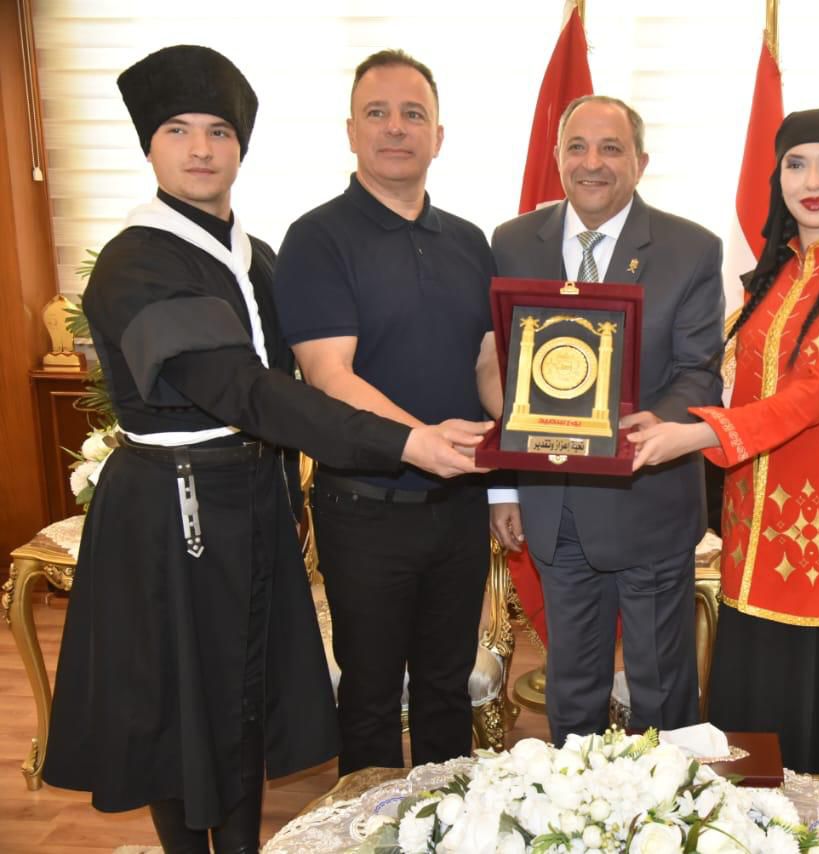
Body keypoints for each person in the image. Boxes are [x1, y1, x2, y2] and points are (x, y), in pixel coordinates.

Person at [42, 44, 490, 853]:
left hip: (251, 503)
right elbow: (250, 392)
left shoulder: (254, 259)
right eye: (178, 131)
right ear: (149, 146)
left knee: (244, 699)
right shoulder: (138, 261)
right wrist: (408, 442)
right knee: (184, 710)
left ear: (240, 147)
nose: (201, 149)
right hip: (173, 510)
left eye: (219, 132)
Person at [627, 108, 819, 781]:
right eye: (796, 164)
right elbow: (740, 391)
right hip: (754, 532)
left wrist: (696, 434)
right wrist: (655, 418)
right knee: (753, 751)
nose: (813, 181)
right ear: (777, 177)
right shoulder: (771, 279)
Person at [272, 49, 496, 775]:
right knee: (369, 697)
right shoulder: (317, 238)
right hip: (366, 509)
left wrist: (537, 434)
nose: (396, 128)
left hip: (460, 507)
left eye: (413, 114)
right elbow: (328, 373)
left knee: (446, 690)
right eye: (378, 113)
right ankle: (366, 825)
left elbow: (487, 364)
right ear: (351, 131)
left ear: (438, 136)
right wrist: (420, 439)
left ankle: (451, 820)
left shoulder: (471, 242)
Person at [481, 95, 725, 745]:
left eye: (611, 148)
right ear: (556, 157)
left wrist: (625, 436)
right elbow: (501, 368)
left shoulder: (691, 249)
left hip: (649, 500)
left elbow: (699, 375)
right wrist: (503, 486)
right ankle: (577, 801)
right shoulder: (511, 242)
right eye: (578, 147)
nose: (592, 163)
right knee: (572, 690)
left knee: (662, 694)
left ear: (640, 162)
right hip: (555, 505)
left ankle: (665, 806)